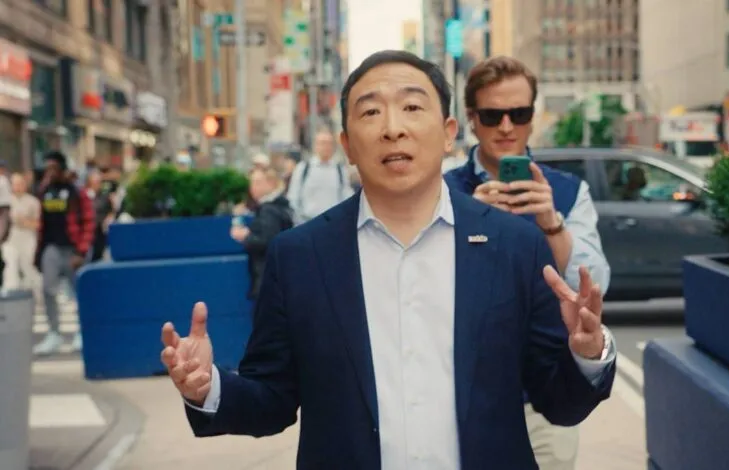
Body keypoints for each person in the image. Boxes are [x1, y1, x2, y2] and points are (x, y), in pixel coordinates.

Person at [160, 50, 615, 469]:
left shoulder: (514, 244)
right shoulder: (300, 256)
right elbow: (273, 398)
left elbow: (558, 402)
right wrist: (209, 387)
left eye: (413, 107)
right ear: (347, 144)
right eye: (371, 111)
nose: (392, 127)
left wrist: (586, 354)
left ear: (449, 132)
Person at [444, 56, 611, 469]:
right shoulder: (444, 192)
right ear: (471, 118)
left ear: (532, 117)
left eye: (518, 114)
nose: (506, 127)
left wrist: (551, 225)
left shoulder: (567, 191)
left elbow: (595, 286)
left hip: (544, 392)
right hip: (458, 391)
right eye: (492, 114)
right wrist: (465, 218)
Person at [33, 151, 94, 355]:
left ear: (62, 169)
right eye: (47, 167)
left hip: (72, 248)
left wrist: (81, 250)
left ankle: (82, 333)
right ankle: (54, 333)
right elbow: (41, 223)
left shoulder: (76, 192)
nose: (49, 172)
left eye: (53, 168)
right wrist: (38, 253)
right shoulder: (45, 191)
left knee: (79, 293)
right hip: (51, 247)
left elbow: (88, 221)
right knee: (48, 291)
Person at [229, 167, 293, 299]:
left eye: (258, 182)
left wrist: (245, 235)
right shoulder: (280, 207)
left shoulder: (268, 210)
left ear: (271, 183)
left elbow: (267, 240)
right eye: (252, 182)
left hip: (267, 280)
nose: (253, 187)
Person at [285, 129, 354, 224]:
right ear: (315, 145)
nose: (326, 147)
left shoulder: (340, 170)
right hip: (307, 224)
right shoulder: (303, 168)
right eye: (323, 143)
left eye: (330, 143)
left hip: (333, 225)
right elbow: (293, 198)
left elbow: (347, 197)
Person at [2, 173, 41, 291]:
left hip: (27, 238)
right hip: (10, 239)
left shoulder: (33, 201)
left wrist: (23, 221)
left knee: (27, 266)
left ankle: (34, 295)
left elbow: (37, 224)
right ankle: (10, 295)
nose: (18, 187)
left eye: (20, 184)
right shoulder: (5, 201)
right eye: (15, 184)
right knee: (10, 266)